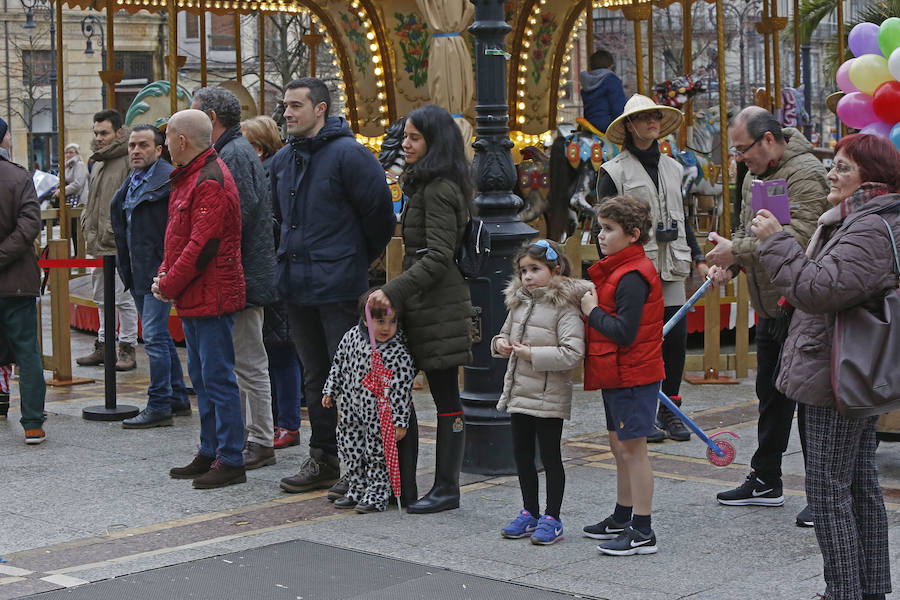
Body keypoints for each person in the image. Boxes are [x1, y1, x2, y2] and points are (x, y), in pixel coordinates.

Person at [747, 133, 897, 600]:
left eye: (842, 167)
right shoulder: (866, 219)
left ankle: (844, 592)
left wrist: (777, 243)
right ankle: (866, 589)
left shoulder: (870, 227)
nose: (831, 174)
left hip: (837, 372)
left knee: (828, 489)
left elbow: (819, 290)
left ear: (870, 177)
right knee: (858, 483)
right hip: (847, 367)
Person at [271, 78, 394, 495]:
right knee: (315, 377)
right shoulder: (285, 159)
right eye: (285, 105)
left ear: (320, 108)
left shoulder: (351, 155)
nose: (287, 112)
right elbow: (277, 217)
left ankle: (358, 464)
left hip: (339, 284)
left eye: (296, 106)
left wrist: (353, 258)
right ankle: (323, 456)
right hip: (296, 284)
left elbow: (379, 216)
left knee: (350, 378)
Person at [706, 106, 828, 525]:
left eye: (743, 150)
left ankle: (823, 492)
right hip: (767, 305)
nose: (740, 158)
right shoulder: (753, 174)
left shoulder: (804, 172)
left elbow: (804, 234)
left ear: (770, 140)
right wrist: (731, 260)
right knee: (770, 397)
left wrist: (737, 250)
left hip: (801, 304)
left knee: (810, 402)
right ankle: (766, 478)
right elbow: (749, 230)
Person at [367, 104, 473, 514]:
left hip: (439, 305)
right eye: (405, 137)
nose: (405, 145)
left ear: (435, 142)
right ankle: (404, 484)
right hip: (423, 302)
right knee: (400, 394)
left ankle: (447, 488)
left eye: (414, 138)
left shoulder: (439, 188)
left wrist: (392, 290)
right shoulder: (424, 184)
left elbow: (438, 256)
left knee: (447, 396)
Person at [597, 94, 708, 443]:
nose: (653, 122)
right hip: (634, 266)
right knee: (638, 342)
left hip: (672, 262)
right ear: (629, 126)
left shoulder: (674, 168)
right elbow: (603, 225)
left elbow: (684, 219)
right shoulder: (612, 172)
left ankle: (671, 409)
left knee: (674, 339)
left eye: (656, 117)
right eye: (645, 118)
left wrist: (700, 256)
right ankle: (640, 411)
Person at [581, 195, 687, 555]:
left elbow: (623, 331)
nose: (601, 235)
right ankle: (622, 515)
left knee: (633, 450)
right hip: (618, 372)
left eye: (609, 229)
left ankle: (642, 529)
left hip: (633, 373)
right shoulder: (620, 269)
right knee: (619, 447)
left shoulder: (633, 275)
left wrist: (592, 311)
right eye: (600, 228)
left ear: (633, 234)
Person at [158, 109, 246, 490]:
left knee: (217, 378)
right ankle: (210, 451)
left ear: (181, 141)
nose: (164, 145)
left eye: (167, 137)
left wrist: (169, 282)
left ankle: (230, 457)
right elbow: (178, 236)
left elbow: (202, 245)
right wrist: (166, 274)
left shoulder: (208, 179)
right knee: (203, 376)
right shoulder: (193, 174)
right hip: (197, 293)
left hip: (211, 294)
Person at [191, 87, 278, 471]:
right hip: (241, 272)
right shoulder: (232, 151)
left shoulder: (234, 154)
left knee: (248, 361)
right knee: (242, 359)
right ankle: (248, 436)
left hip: (244, 274)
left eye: (194, 115)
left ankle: (261, 438)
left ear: (211, 118)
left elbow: (234, 218)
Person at [494, 240, 591, 545]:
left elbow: (573, 352)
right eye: (523, 270)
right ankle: (529, 512)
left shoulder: (565, 306)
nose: (528, 276)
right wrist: (499, 344)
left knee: (550, 458)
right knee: (522, 456)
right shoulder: (520, 302)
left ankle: (553, 517)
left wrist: (532, 354)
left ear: (555, 269)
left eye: (535, 269)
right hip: (520, 392)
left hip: (549, 396)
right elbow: (505, 333)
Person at [110, 125, 191, 428]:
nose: (135, 151)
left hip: (158, 271)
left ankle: (159, 404)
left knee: (155, 337)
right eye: (132, 145)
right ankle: (177, 398)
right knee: (160, 338)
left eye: (143, 145)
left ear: (159, 150)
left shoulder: (168, 181)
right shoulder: (133, 181)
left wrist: (166, 270)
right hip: (139, 270)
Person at [323, 288, 417, 513]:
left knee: (377, 453)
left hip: (380, 413)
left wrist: (400, 420)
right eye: (380, 321)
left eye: (392, 321)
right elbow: (338, 363)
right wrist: (330, 389)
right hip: (350, 407)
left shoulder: (398, 351)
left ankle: (377, 493)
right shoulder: (351, 337)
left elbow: (403, 389)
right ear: (365, 320)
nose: (386, 328)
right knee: (350, 448)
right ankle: (356, 487)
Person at [241, 115, 304, 449]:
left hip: (275, 272)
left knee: (281, 351)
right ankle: (280, 419)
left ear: (259, 147)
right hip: (267, 272)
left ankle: (288, 423)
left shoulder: (271, 174)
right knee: (270, 350)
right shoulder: (262, 172)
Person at [77, 109, 139, 371]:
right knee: (101, 295)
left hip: (117, 241)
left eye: (104, 133)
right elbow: (93, 199)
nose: (99, 138)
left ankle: (127, 346)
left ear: (117, 132)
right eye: (96, 133)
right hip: (97, 240)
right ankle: (104, 343)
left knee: (123, 298)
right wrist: (86, 222)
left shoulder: (127, 160)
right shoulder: (99, 162)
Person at [0, 117, 47, 444]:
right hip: (16, 281)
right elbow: (30, 225)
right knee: (27, 352)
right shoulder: (19, 177)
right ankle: (32, 423)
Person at [580, 48, 627, 134]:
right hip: (607, 126)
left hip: (588, 125)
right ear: (610, 66)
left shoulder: (586, 82)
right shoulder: (612, 80)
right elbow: (619, 108)